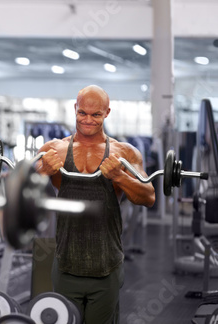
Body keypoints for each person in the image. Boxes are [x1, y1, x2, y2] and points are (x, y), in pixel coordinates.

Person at [37, 85, 155, 324]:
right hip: (66, 264)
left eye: (96, 115)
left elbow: (148, 196)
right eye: (82, 113)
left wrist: (120, 176)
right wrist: (40, 173)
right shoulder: (53, 150)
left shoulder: (124, 153)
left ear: (107, 113)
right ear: (75, 109)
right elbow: (25, 195)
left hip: (106, 267)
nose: (88, 120)